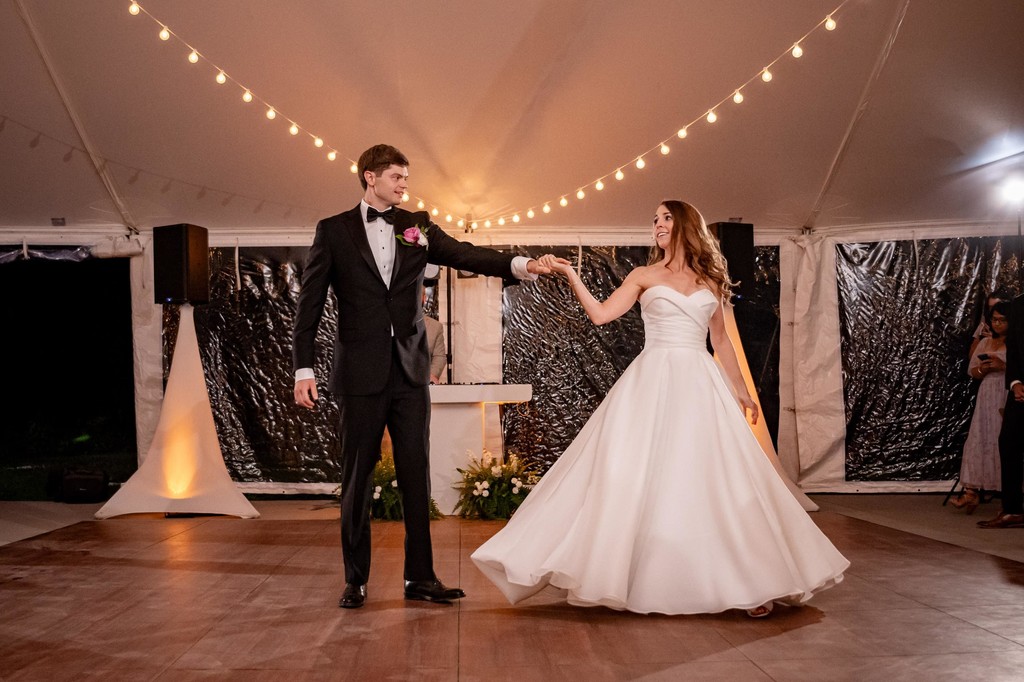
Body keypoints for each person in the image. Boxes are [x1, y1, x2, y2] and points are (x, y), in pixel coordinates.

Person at [471, 200, 849, 617]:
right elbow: (601, 315)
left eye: (666, 217)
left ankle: (752, 582)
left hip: (701, 383)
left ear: (686, 223)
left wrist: (743, 391)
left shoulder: (711, 279)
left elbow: (720, 341)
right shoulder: (643, 275)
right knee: (640, 477)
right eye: (654, 219)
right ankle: (639, 575)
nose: (657, 225)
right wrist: (572, 274)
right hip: (653, 378)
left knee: (718, 479)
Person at [292, 143, 563, 608]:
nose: (404, 185)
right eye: (397, 177)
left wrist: (522, 264)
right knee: (356, 479)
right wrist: (303, 368)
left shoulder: (416, 226)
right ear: (370, 178)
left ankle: (420, 578)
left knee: (417, 475)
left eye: (406, 178)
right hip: (359, 374)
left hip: (410, 372)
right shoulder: (333, 230)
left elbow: (465, 254)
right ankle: (355, 580)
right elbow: (310, 304)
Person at [951, 301, 1010, 512]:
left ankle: (1007, 496)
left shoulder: (1016, 343)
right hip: (987, 393)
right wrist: (983, 370)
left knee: (1002, 440)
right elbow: (972, 371)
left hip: (1006, 392)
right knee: (979, 438)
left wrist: (1004, 366)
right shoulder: (985, 343)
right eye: (994, 320)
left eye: (1002, 320)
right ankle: (971, 491)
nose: (997, 324)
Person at [978, 292, 1024, 529]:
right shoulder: (1018, 304)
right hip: (1020, 392)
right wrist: (1015, 382)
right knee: (1008, 442)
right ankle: (1013, 509)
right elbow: (1015, 348)